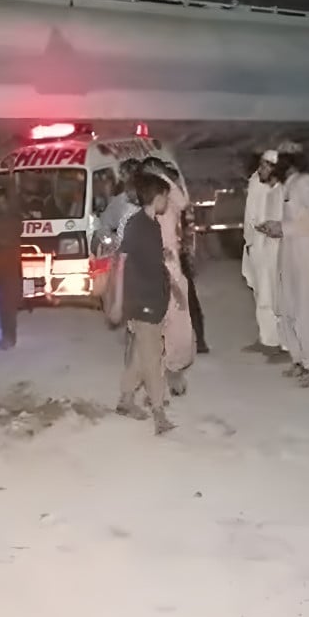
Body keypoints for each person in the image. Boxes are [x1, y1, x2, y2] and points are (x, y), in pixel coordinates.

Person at [115, 171, 179, 435]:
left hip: (153, 299)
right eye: (166, 196)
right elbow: (121, 261)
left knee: (143, 353)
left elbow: (145, 256)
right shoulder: (137, 224)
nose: (168, 201)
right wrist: (119, 301)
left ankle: (126, 399)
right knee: (152, 358)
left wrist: (161, 255)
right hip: (143, 301)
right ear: (157, 197)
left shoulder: (151, 225)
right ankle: (159, 413)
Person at [262, 147, 309, 387]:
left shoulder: (304, 182)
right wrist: (276, 226)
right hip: (289, 254)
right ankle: (297, 360)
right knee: (287, 309)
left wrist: (285, 228)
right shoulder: (287, 186)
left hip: (305, 256)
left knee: (305, 312)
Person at [142, 157, 194, 395]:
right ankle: (159, 372)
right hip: (154, 262)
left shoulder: (168, 197)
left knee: (178, 318)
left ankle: (173, 367)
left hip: (171, 261)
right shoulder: (145, 199)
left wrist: (163, 177)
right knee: (160, 321)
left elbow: (183, 203)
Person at [242, 151, 286, 359]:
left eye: (267, 165)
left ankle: (282, 344)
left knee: (275, 295)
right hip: (256, 244)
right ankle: (267, 339)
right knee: (261, 294)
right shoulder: (255, 181)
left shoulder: (281, 189)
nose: (262, 169)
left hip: (274, 247)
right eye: (261, 164)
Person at [0, 187, 24, 349]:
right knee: (4, 305)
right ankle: (7, 336)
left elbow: (5, 240)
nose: (0, 205)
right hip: (3, 269)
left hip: (10, 268)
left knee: (8, 305)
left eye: (2, 202)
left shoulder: (13, 220)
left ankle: (9, 338)